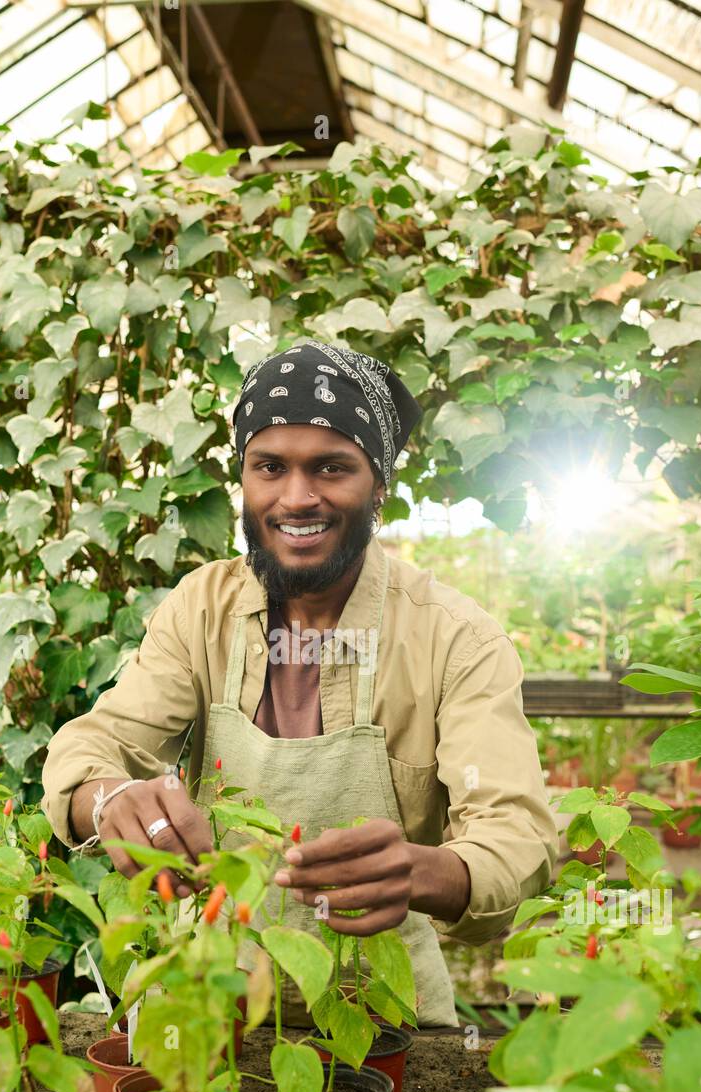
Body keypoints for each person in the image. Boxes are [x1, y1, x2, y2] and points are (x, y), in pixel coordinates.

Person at [40, 339, 558, 1027]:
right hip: (202, 1001)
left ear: (379, 485)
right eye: (270, 467)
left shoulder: (454, 637)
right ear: (244, 478)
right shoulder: (203, 608)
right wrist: (108, 799)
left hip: (378, 1013)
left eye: (331, 468)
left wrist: (423, 871)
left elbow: (518, 834)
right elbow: (93, 747)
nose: (296, 498)